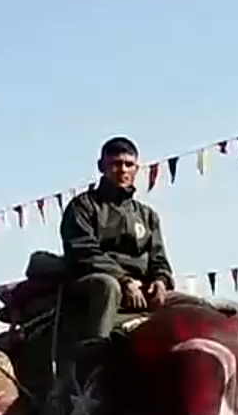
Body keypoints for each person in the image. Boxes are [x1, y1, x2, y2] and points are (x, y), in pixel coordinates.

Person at [56, 137, 173, 360]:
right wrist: (123, 279)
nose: (122, 170)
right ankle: (93, 360)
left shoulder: (147, 215)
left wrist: (161, 279)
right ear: (102, 167)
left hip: (142, 288)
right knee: (107, 286)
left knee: (189, 306)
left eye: (129, 164)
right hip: (94, 281)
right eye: (116, 163)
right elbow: (83, 252)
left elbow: (158, 257)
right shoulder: (83, 206)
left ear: (137, 169)